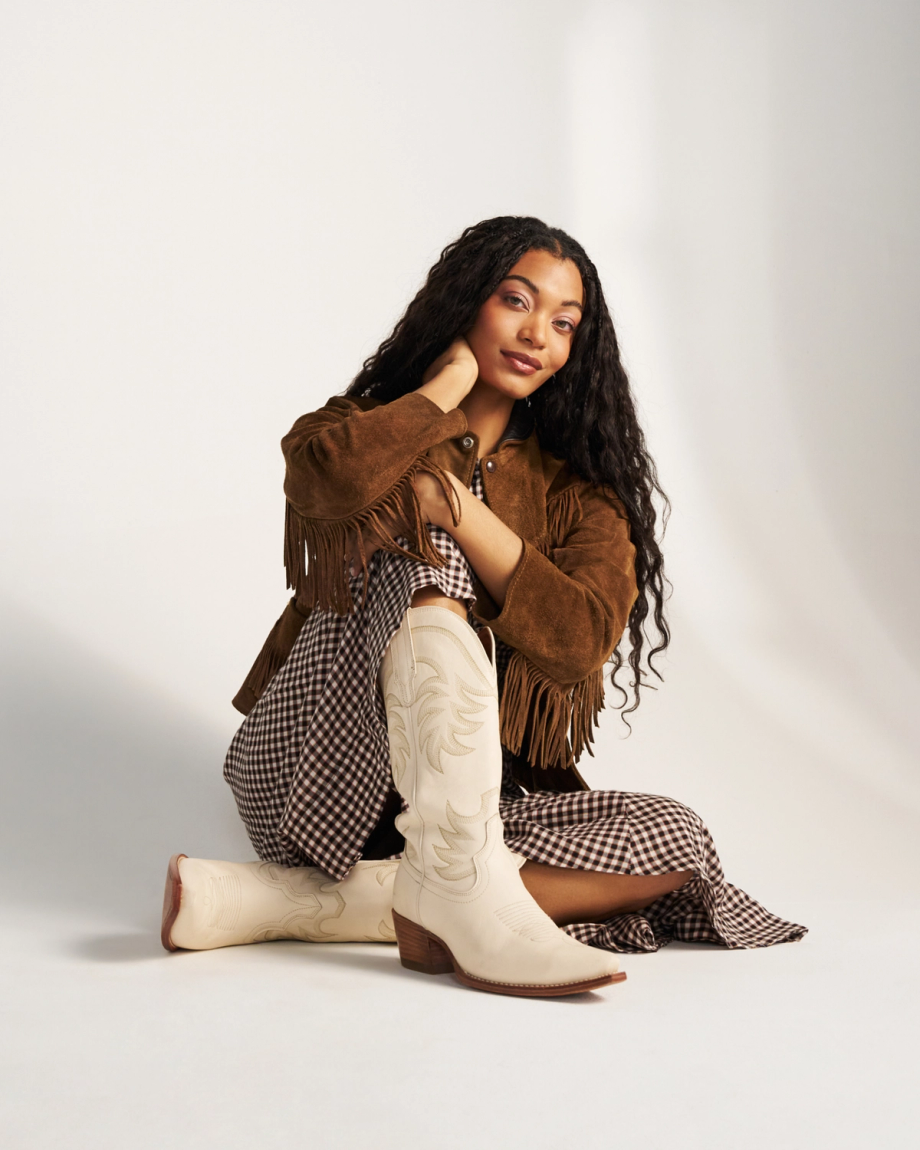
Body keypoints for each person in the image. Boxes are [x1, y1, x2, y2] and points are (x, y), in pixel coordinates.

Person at [161, 216, 805, 996]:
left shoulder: (581, 494)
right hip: (313, 770)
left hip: (462, 810)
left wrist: (459, 512)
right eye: (516, 301)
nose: (539, 333)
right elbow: (321, 482)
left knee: (673, 840)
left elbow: (579, 639)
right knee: (434, 571)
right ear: (468, 302)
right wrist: (442, 392)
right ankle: (457, 892)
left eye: (565, 323)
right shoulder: (369, 425)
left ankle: (318, 899)